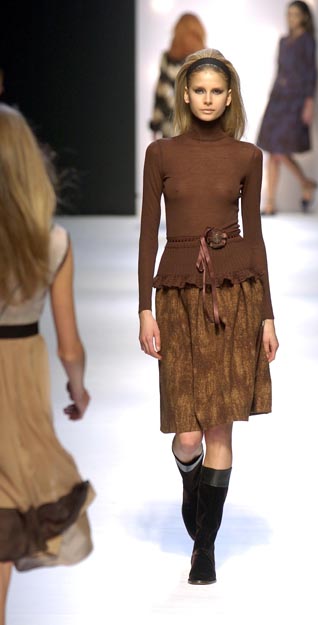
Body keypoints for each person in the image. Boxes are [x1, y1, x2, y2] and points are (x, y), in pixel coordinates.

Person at [138, 48, 279, 585]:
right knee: (187, 433)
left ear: (229, 97)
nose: (207, 99)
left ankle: (205, 547)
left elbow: (256, 236)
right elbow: (147, 234)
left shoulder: (247, 156)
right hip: (177, 296)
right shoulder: (160, 154)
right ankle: (190, 482)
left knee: (220, 425)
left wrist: (268, 315)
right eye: (199, 90)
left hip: (234, 293)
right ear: (185, 94)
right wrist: (144, 309)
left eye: (217, 91)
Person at [0, 104, 95, 625]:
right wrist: (78, 391)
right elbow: (69, 347)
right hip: (15, 385)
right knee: (5, 508)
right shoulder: (51, 243)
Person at [257, 1, 318, 215]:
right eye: (289, 14)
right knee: (272, 150)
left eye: (295, 14)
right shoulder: (283, 41)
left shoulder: (307, 41)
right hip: (278, 99)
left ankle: (305, 183)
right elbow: (280, 70)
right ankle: (270, 203)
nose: (291, 18)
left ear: (304, 17)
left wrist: (309, 102)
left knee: (280, 150)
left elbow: (311, 72)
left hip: (295, 100)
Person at [149, 13, 206, 139]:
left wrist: (155, 125)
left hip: (171, 128)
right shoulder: (205, 60)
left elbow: (161, 92)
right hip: (198, 128)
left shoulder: (168, 59)